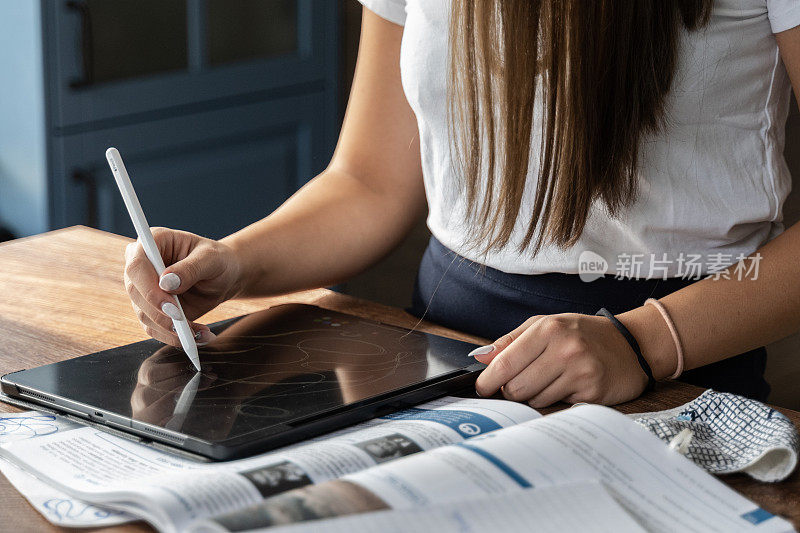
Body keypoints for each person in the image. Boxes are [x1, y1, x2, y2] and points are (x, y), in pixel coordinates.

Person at [124, 0, 800, 407]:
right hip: (446, 354)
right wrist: (236, 262)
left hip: (683, 350)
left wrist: (642, 343)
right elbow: (370, 180)